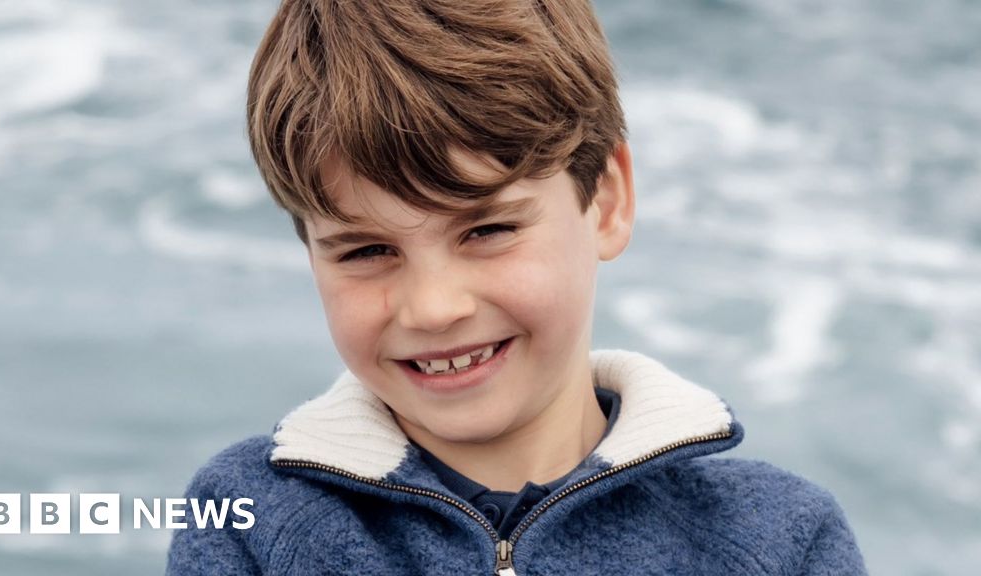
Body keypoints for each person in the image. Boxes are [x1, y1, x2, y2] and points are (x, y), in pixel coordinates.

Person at [166, 0, 867, 574]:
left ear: (607, 200)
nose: (434, 308)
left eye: (487, 230)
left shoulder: (783, 540)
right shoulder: (249, 523)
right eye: (368, 250)